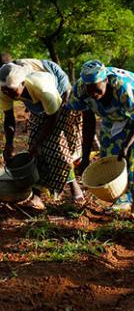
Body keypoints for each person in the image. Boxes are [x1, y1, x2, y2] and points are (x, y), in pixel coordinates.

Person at [67, 60, 134, 213]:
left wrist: (126, 145)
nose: (93, 94)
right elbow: (88, 123)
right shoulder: (80, 89)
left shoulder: (124, 87)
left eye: (97, 89)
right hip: (111, 116)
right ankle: (121, 199)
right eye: (89, 90)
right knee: (108, 155)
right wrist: (85, 156)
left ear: (106, 81)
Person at [0, 60, 84, 208]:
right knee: (33, 148)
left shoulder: (44, 88)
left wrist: (39, 142)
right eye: (5, 90)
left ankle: (74, 188)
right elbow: (8, 118)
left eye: (12, 90)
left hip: (59, 92)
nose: (8, 94)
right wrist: (9, 144)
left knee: (56, 146)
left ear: (23, 83)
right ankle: (37, 196)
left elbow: (53, 117)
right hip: (38, 98)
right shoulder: (6, 87)